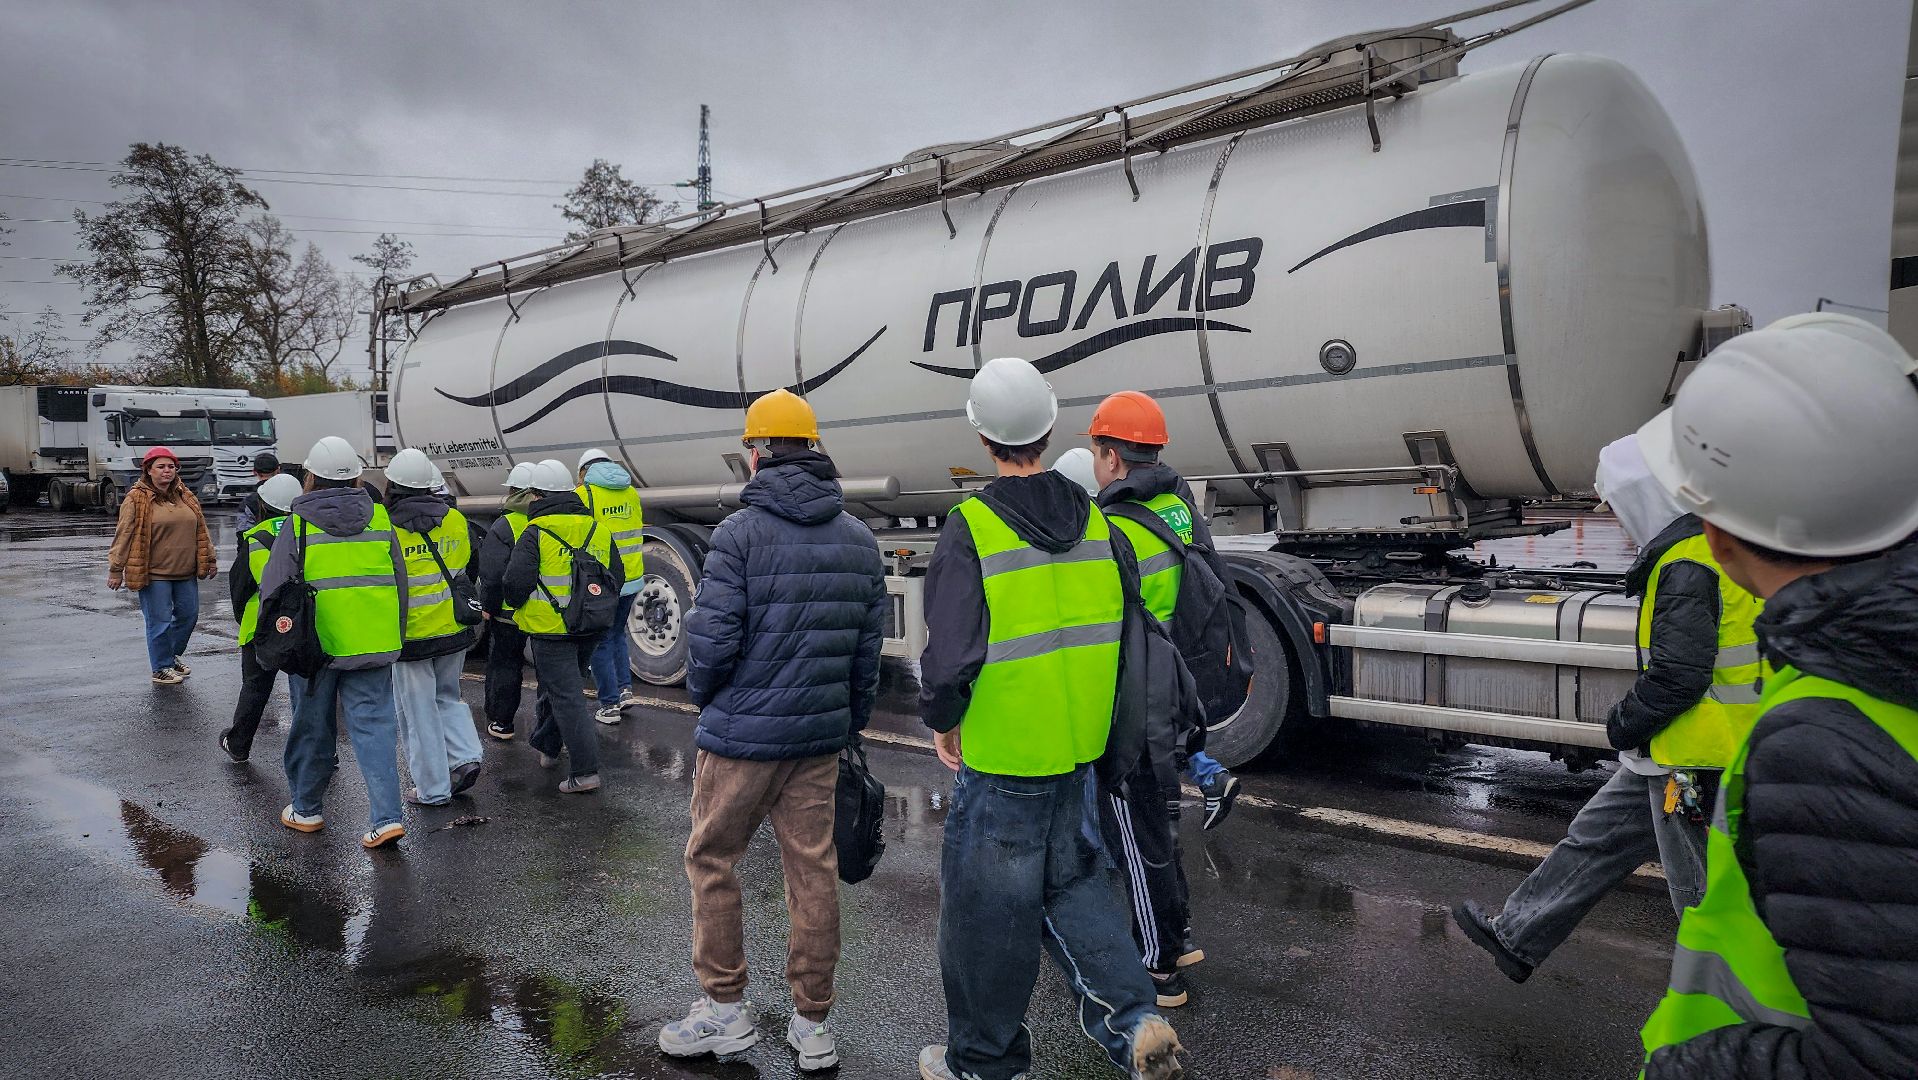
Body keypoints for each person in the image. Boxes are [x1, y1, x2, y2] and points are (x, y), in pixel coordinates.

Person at [1630, 321, 1918, 1078]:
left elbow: (1877, 1059)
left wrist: (1684, 1069)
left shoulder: (1823, 740)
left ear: (1717, 538)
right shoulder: (1877, 667)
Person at [917, 357, 1184, 1080]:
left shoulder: (972, 526)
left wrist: (944, 720)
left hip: (1005, 760)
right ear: (1049, 426)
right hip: (1078, 757)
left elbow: (949, 659)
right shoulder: (1102, 524)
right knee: (1077, 892)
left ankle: (982, 1062)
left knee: (985, 922)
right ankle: (1136, 1022)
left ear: (982, 435)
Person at [1453, 432, 1760, 981]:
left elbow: (1678, 677)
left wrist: (1623, 723)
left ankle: (1726, 1011)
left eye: (1617, 507)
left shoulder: (1688, 563)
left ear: (1645, 497)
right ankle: (1517, 935)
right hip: (1671, 752)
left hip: (1693, 763)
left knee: (1698, 895)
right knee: (1593, 840)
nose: (1617, 521)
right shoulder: (1705, 549)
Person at [657, 389, 888, 1073]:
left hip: (739, 740)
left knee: (712, 859)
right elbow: (865, 655)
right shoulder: (858, 539)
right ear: (815, 450)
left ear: (755, 453)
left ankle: (725, 1013)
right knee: (812, 872)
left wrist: (707, 699)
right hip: (818, 741)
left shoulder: (738, 535)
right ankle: (813, 1025)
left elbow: (712, 643)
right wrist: (847, 724)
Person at [1079, 390, 1243, 1008]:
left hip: (1137, 700)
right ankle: (1174, 935)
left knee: (1135, 826)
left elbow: (1107, 627)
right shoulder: (1178, 510)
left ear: (1114, 459)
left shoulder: (1115, 527)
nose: (1097, 466)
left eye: (1098, 453)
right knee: (1159, 826)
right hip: (1178, 685)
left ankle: (1159, 964)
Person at [1059, 443, 1239, 831]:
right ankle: (1209, 781)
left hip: (1140, 654)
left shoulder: (1111, 530)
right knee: (1176, 727)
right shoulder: (1172, 507)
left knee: (1147, 751)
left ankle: (1167, 816)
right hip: (1174, 641)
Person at [258, 435, 408, 849]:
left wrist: (271, 641)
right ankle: (386, 818)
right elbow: (399, 581)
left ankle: (306, 809)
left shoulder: (298, 522)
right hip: (373, 642)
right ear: (358, 476)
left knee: (312, 726)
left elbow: (273, 587)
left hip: (314, 648)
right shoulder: (380, 519)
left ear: (310, 476)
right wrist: (397, 635)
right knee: (376, 729)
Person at [501, 459, 620, 793]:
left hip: (550, 630)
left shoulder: (535, 531)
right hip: (590, 626)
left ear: (537, 496)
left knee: (567, 696)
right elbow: (617, 577)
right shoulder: (597, 527)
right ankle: (548, 746)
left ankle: (585, 772)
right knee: (562, 689)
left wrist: (515, 606)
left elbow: (515, 581)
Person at [385, 448, 484, 807]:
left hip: (410, 636)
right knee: (448, 698)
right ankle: (465, 755)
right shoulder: (456, 520)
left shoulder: (385, 525)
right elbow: (468, 569)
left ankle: (432, 789)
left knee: (417, 712)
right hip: (454, 629)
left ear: (393, 486)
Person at [107, 445, 217, 685]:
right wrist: (116, 568)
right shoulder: (136, 498)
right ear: (148, 470)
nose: (167, 471)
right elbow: (123, 533)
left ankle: (170, 655)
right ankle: (161, 667)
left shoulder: (185, 495)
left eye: (171, 466)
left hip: (185, 571)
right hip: (155, 574)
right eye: (161, 467)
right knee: (160, 622)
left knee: (189, 616)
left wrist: (209, 558)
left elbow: (202, 530)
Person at [221, 472, 304, 762]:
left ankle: (239, 744)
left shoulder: (256, 537)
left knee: (255, 687)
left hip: (261, 625)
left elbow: (239, 584)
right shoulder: (310, 530)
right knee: (307, 691)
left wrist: (242, 616)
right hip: (305, 622)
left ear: (263, 505)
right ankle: (323, 753)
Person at [576, 448, 646, 725]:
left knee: (601, 641)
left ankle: (608, 704)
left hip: (604, 581)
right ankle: (625, 689)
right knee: (617, 634)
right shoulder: (631, 492)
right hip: (632, 577)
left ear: (584, 471)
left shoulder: (586, 494)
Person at [477, 462, 540, 740]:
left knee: (505, 664)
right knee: (550, 673)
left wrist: (488, 607)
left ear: (513, 491)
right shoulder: (548, 519)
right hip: (546, 611)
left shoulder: (505, 525)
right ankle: (548, 731)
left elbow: (491, 574)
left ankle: (502, 722)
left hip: (508, 612)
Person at [234, 451, 281, 532]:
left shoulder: (249, 502)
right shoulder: (291, 496)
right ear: (278, 470)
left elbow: (242, 532)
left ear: (254, 472)